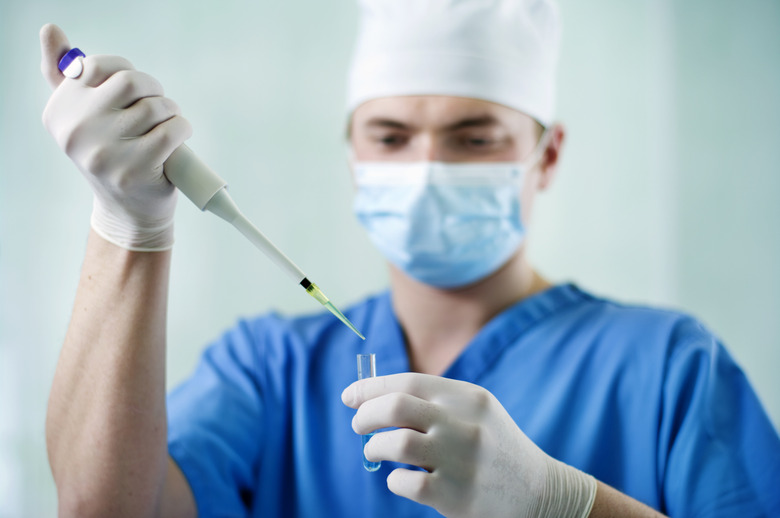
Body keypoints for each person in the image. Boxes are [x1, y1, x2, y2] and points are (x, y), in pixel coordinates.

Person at [40, 1, 780, 517]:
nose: (427, 166)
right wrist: (126, 223)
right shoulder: (270, 370)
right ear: (354, 154)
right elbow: (101, 509)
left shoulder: (670, 369)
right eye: (391, 137)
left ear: (546, 155)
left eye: (474, 136)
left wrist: (564, 505)